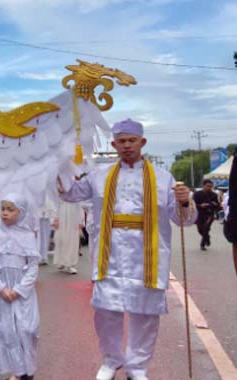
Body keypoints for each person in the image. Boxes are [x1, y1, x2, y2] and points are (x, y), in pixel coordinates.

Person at [58, 119, 195, 380]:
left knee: (145, 313)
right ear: (114, 145)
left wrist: (185, 201)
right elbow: (69, 193)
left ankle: (137, 367)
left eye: (132, 140)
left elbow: (183, 219)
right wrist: (59, 165)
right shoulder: (98, 176)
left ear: (142, 143)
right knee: (106, 311)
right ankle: (111, 360)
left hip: (148, 256)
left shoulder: (163, 178)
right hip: (110, 255)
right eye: (122, 141)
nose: (127, 145)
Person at [0, 192, 40, 380]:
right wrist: (1, 289)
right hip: (4, 291)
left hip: (23, 293)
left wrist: (19, 290)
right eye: (3, 209)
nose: (5, 213)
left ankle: (28, 369)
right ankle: (17, 372)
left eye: (10, 209)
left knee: (27, 328)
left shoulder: (28, 236)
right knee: (8, 331)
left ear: (21, 212)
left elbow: (33, 267)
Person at [53, 199, 82, 274]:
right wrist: (55, 218)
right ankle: (61, 261)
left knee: (72, 240)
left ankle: (70, 264)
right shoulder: (60, 193)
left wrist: (80, 221)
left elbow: (80, 207)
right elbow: (55, 204)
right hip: (61, 217)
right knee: (61, 239)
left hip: (73, 218)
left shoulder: (76, 193)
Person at [192, 179, 220, 250]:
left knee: (206, 227)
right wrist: (200, 205)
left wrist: (215, 204)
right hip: (200, 213)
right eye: (208, 186)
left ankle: (202, 244)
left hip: (210, 214)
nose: (209, 188)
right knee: (200, 229)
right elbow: (193, 204)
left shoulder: (214, 195)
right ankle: (207, 237)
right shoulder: (197, 194)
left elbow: (217, 205)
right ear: (203, 186)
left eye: (211, 186)